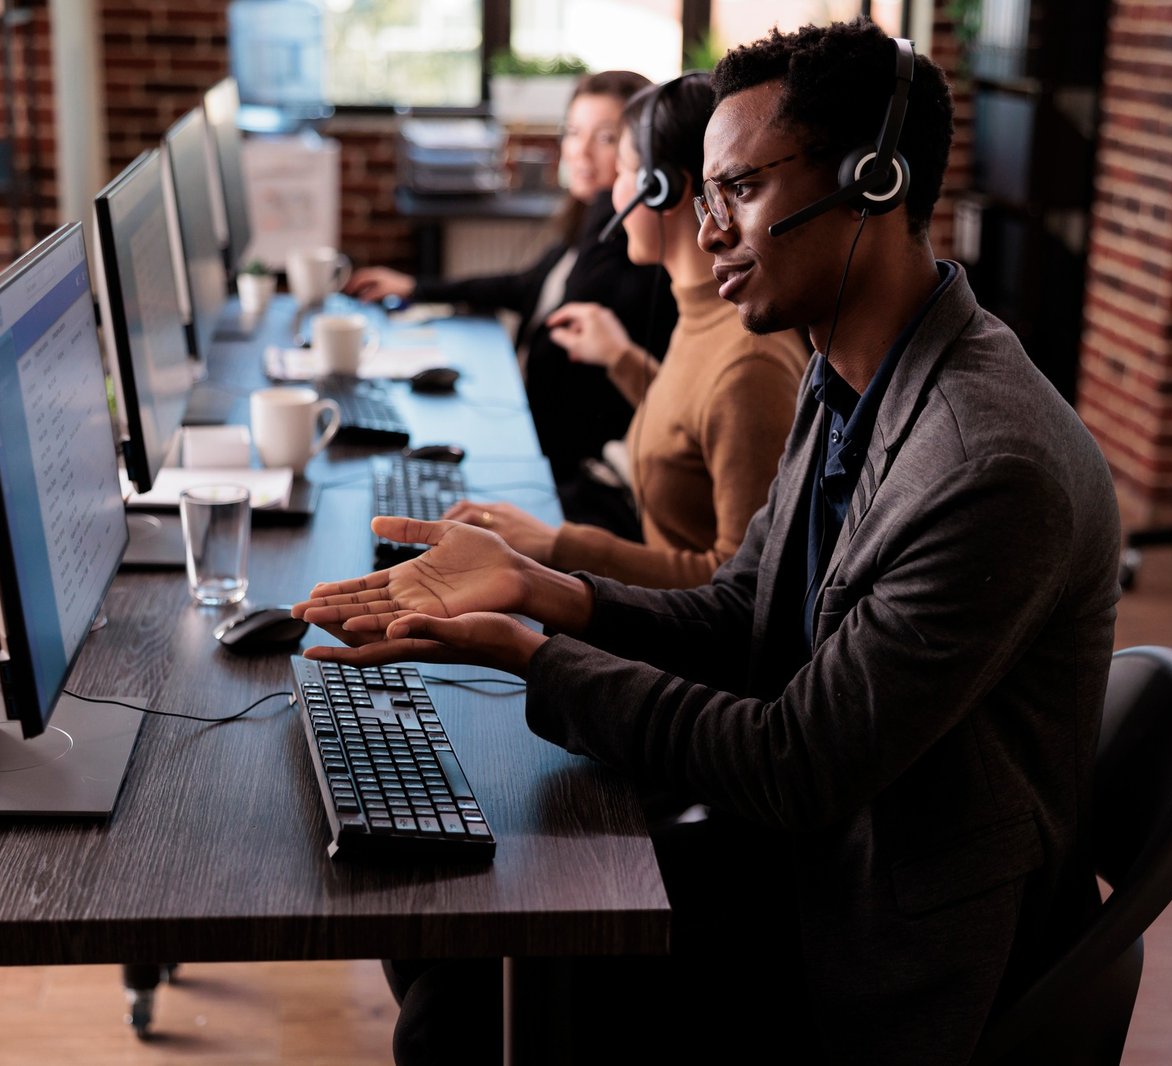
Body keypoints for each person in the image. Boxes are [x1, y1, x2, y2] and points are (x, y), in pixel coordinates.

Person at [299, 18, 1121, 1064]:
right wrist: (543, 588)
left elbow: (795, 764)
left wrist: (534, 655)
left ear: (873, 182)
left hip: (883, 935)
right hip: (817, 856)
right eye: (702, 190)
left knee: (474, 974)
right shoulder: (846, 371)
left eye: (738, 188)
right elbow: (744, 609)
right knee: (451, 915)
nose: (707, 222)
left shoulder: (985, 463)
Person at [444, 73, 807, 589]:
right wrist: (620, 358)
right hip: (645, 592)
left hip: (677, 640)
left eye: (626, 171)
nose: (612, 194)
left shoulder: (748, 363)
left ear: (661, 190)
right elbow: (687, 428)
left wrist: (555, 545)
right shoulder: (701, 312)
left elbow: (739, 587)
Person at [344, 71, 680, 506]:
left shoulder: (634, 254)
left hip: (568, 468)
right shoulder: (583, 230)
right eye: (573, 132)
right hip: (531, 435)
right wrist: (417, 286)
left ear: (644, 155)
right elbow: (526, 288)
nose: (579, 151)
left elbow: (576, 300)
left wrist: (606, 202)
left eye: (606, 138)